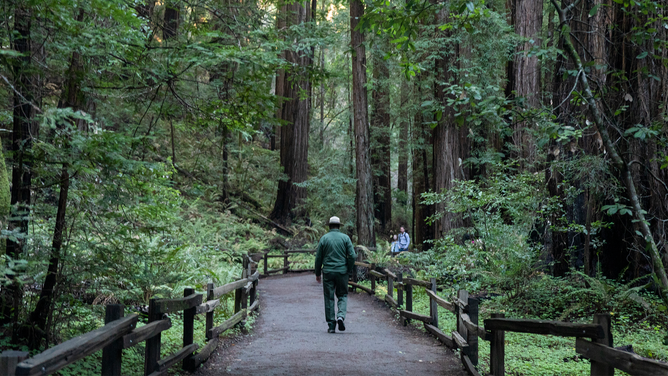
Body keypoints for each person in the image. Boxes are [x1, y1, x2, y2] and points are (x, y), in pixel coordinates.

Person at [314, 216, 357, 333]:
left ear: (329, 226)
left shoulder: (324, 238)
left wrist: (317, 273)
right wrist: (348, 267)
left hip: (328, 272)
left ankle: (331, 326)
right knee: (342, 295)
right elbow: (352, 256)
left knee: (329, 298)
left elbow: (318, 258)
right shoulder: (345, 238)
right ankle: (340, 316)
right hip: (342, 271)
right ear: (339, 226)